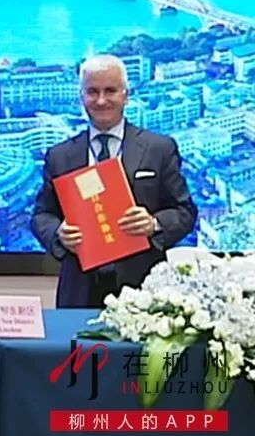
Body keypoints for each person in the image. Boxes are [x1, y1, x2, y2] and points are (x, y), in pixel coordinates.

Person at [31, 54, 197, 308]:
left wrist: (154, 224)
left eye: (110, 91)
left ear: (125, 95)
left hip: (144, 291)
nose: (101, 100)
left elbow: (185, 212)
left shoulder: (159, 149)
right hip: (79, 290)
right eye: (92, 92)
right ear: (81, 97)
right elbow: (41, 216)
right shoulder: (60, 156)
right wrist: (58, 233)